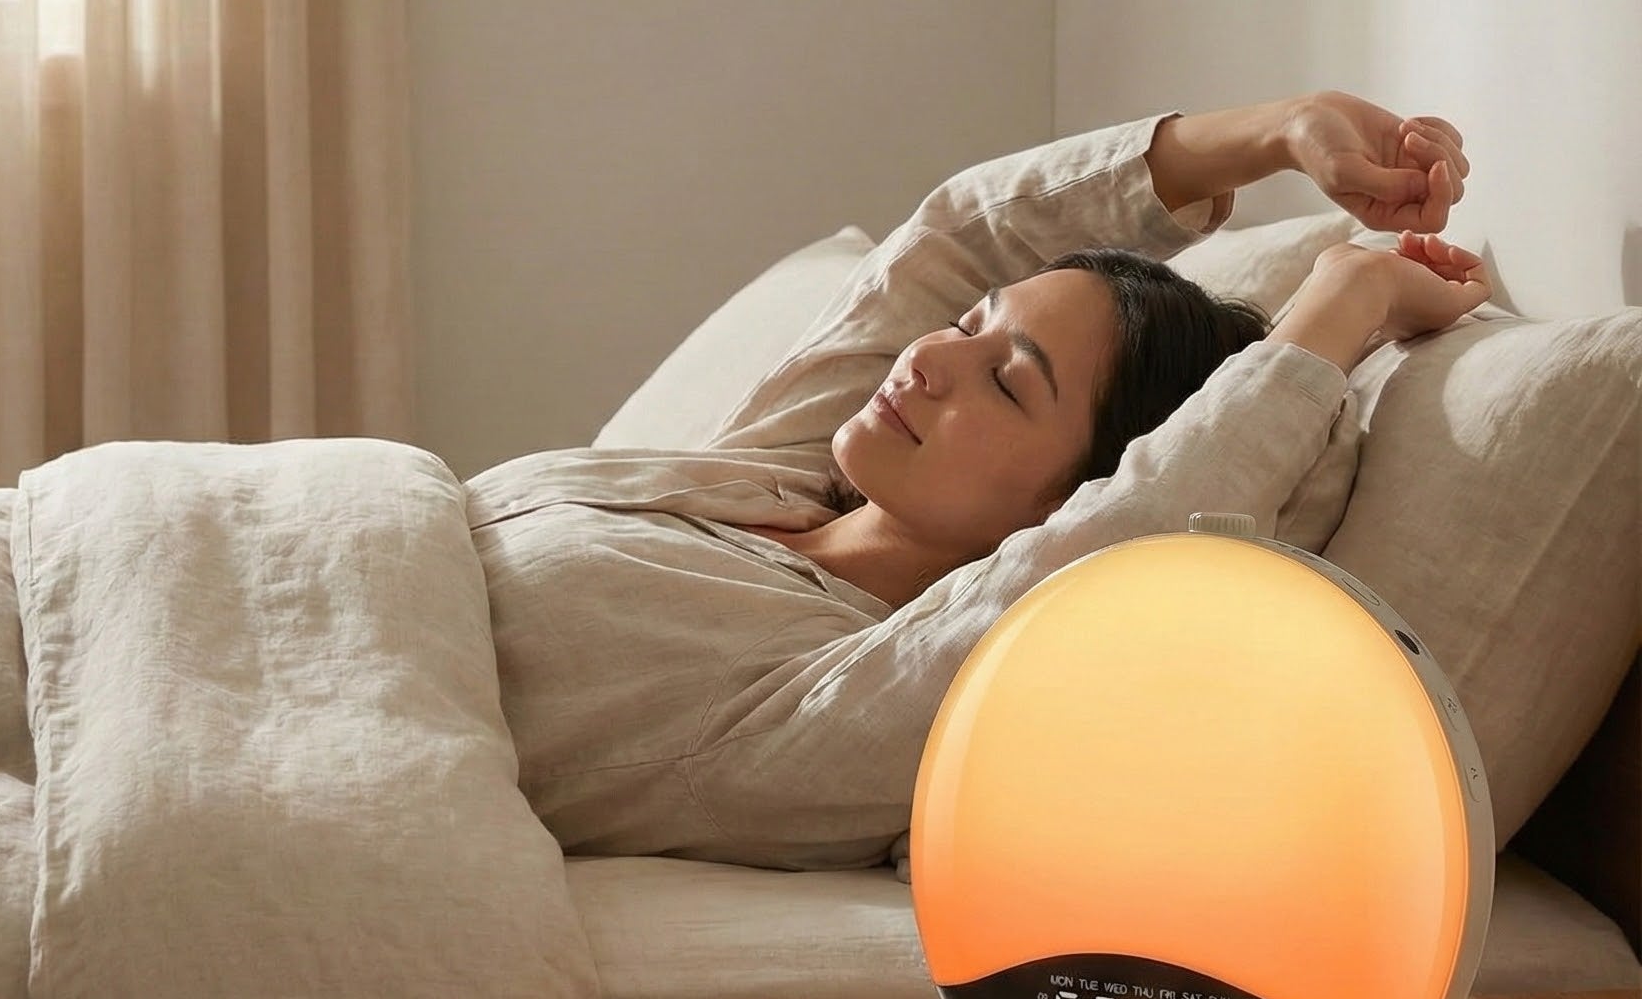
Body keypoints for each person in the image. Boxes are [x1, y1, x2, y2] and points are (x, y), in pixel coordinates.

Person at [464, 93, 1487, 872]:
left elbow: (1149, 519)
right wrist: (1279, 128)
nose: (926, 360)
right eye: (966, 328)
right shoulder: (779, 472)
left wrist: (1347, 295)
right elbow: (958, 237)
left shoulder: (828, 699)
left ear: (1066, 502)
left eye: (1003, 381)